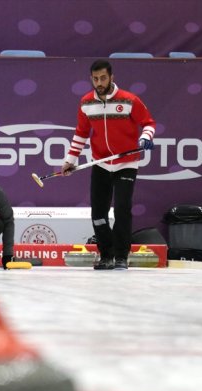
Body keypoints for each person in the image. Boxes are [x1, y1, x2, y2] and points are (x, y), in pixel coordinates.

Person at [62, 59, 156, 270]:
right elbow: (81, 133)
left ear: (112, 77)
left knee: (122, 208)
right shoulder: (86, 102)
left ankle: (122, 255)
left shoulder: (129, 100)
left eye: (103, 78)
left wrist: (146, 137)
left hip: (126, 163)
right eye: (95, 79)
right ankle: (106, 255)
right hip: (101, 163)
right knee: (98, 213)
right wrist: (70, 160)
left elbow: (148, 123)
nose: (99, 82)